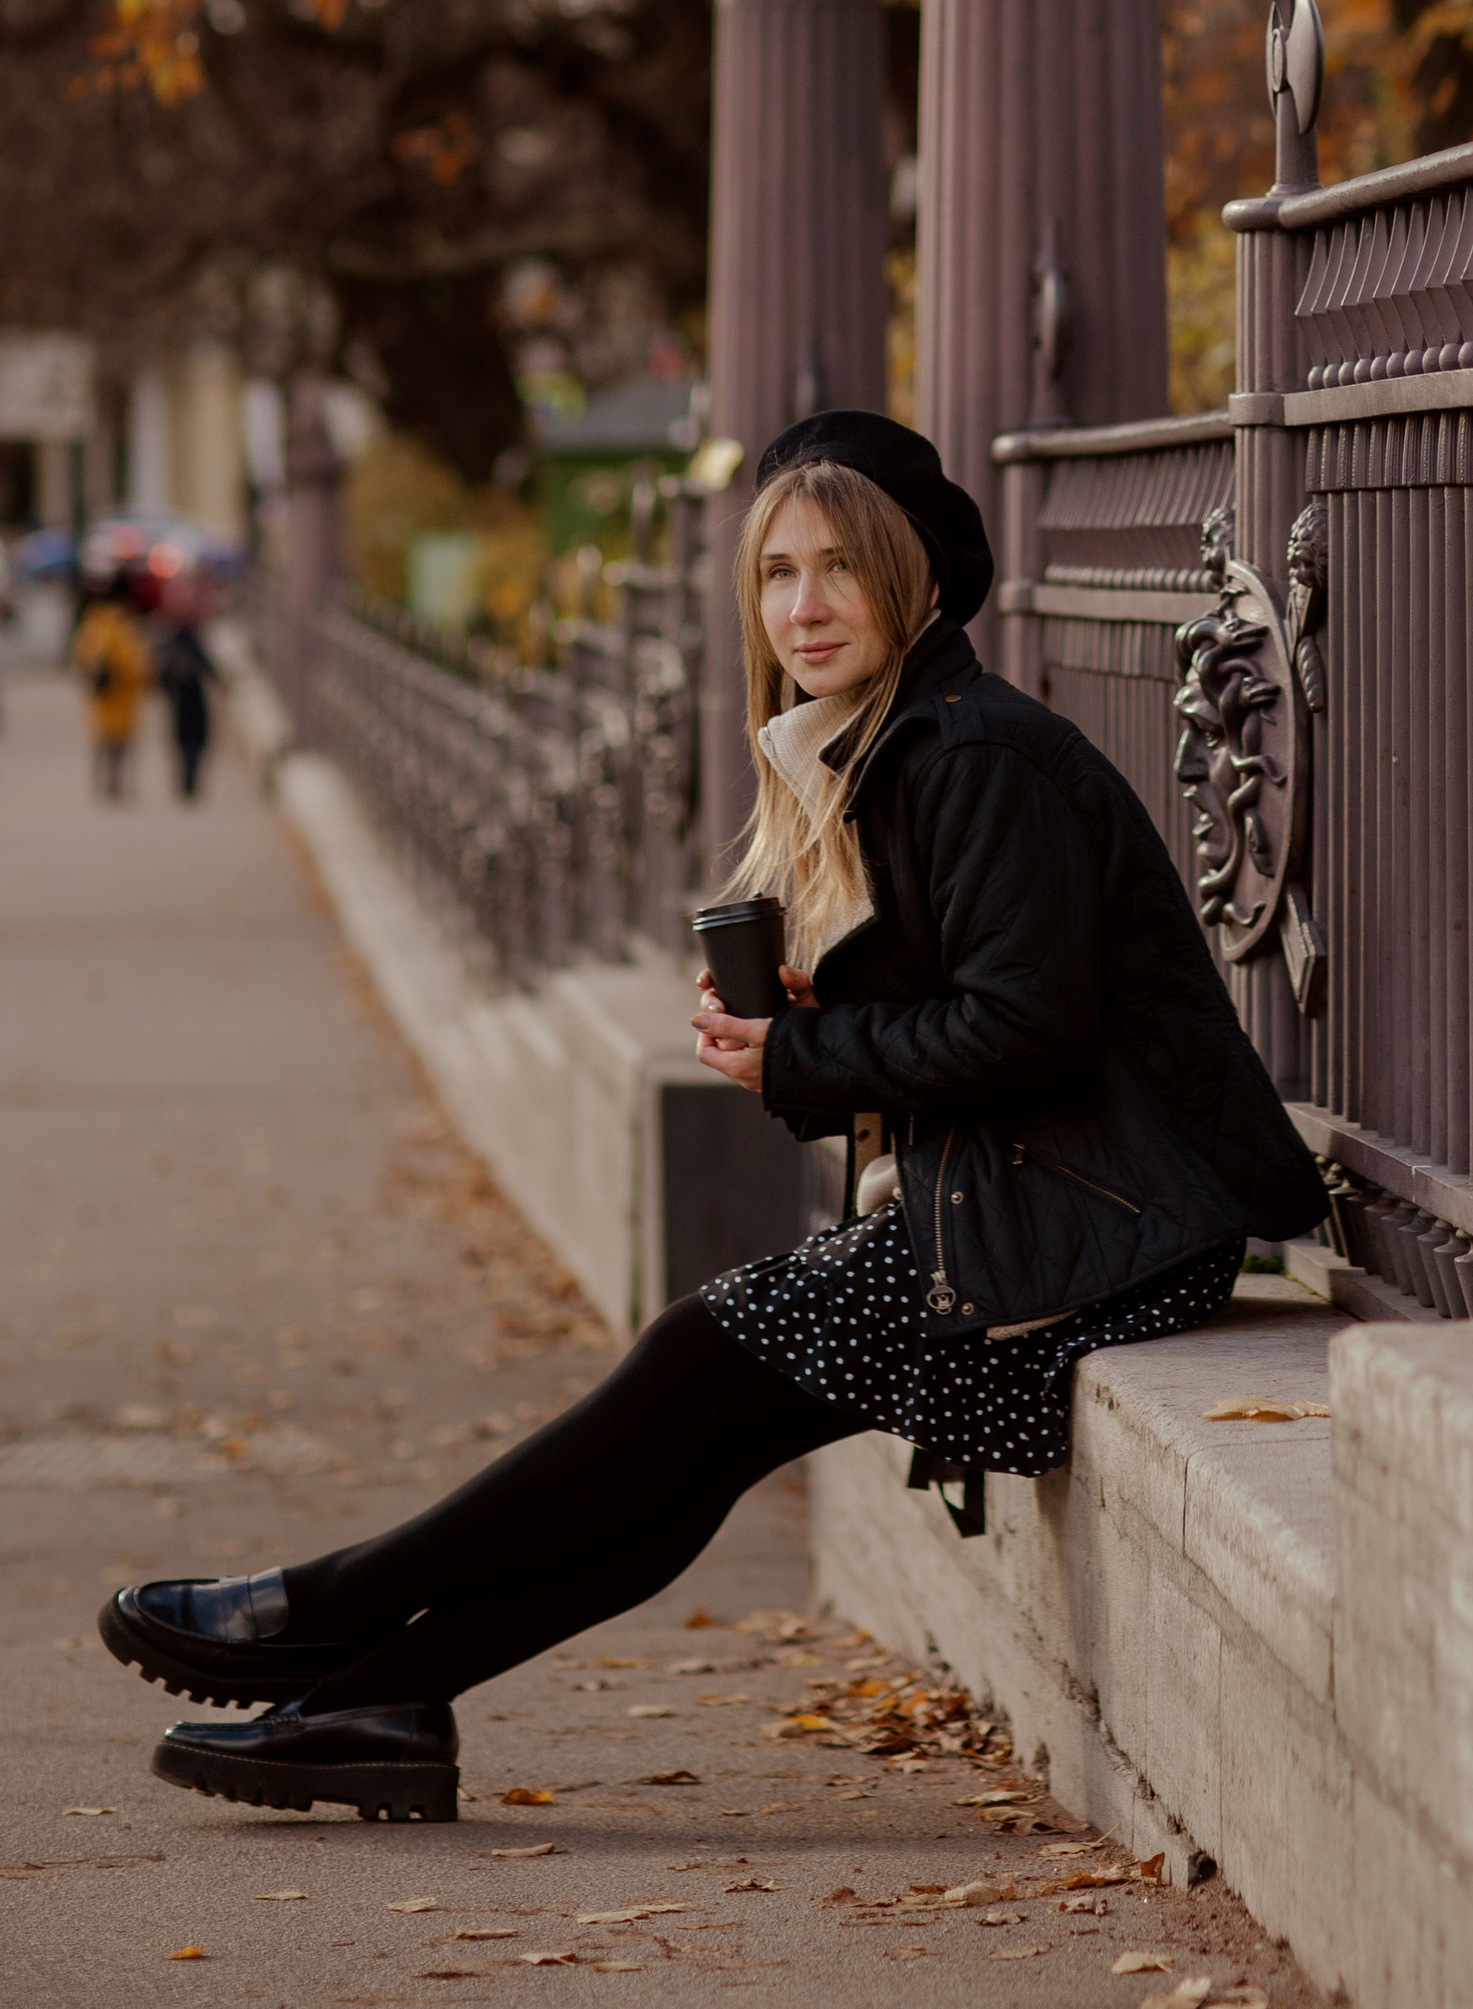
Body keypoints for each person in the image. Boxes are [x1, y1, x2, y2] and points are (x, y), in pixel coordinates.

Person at [100, 409, 1327, 1826]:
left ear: (916, 577)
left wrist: (808, 1049)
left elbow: (1027, 1028)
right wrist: (810, 1026)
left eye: (839, 570)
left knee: (694, 1372)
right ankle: (378, 1696)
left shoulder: (978, 756)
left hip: (1108, 1237)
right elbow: (990, 1012)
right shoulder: (885, 749)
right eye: (776, 574)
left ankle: (330, 1614)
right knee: (692, 1450)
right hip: (1050, 1210)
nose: (803, 607)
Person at [70, 571, 153, 802]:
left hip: (102, 695)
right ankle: (115, 783)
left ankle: (101, 782)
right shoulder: (125, 627)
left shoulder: (93, 623)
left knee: (102, 738)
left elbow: (81, 657)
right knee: (121, 742)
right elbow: (137, 663)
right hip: (124, 694)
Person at [155, 589, 220, 800]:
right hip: (193, 698)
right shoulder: (189, 640)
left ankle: (186, 781)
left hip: (179, 700)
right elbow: (206, 666)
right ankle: (189, 781)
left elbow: (161, 675)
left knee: (183, 743)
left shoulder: (170, 641)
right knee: (194, 742)